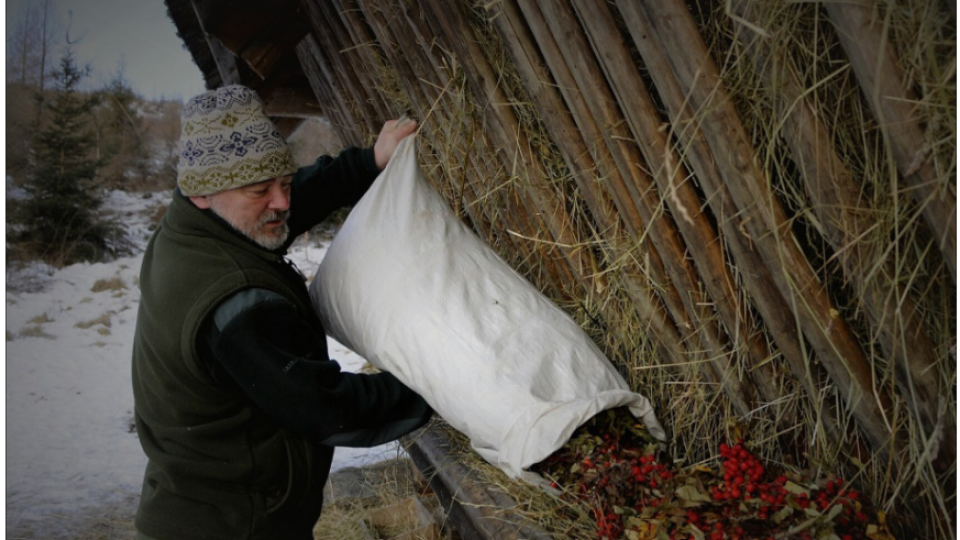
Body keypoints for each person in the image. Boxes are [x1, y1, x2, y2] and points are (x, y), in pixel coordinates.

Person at [131, 85, 431, 540]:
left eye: (284, 183)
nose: (282, 203)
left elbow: (285, 200)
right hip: (233, 527)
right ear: (202, 194)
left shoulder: (196, 226)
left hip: (207, 507)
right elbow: (322, 407)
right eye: (260, 190)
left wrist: (369, 161)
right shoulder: (233, 304)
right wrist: (434, 385)